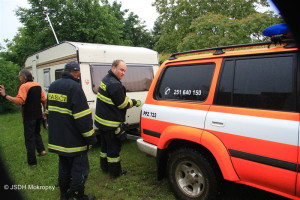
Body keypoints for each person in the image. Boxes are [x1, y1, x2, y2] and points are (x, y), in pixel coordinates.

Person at [46, 61, 97, 200]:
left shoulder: (53, 86)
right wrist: (91, 138)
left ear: (64, 70)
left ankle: (64, 194)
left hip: (58, 139)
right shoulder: (75, 88)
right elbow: (83, 118)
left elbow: (48, 112)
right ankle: (77, 196)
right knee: (79, 170)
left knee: (63, 167)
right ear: (77, 73)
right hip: (74, 142)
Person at [94, 59, 141, 178]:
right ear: (113, 67)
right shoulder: (115, 84)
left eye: (125, 71)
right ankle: (115, 173)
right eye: (121, 69)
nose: (123, 73)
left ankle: (104, 168)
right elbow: (122, 104)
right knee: (113, 150)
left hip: (101, 122)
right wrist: (135, 102)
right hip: (111, 125)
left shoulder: (106, 79)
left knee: (104, 148)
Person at [0, 69, 47, 166]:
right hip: (38, 115)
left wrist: (5, 95)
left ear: (23, 77)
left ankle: (32, 162)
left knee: (29, 138)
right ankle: (42, 150)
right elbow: (44, 100)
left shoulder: (24, 86)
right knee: (37, 133)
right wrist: (44, 112)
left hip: (29, 116)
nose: (19, 78)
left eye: (19, 76)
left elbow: (19, 101)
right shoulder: (37, 85)